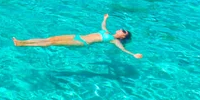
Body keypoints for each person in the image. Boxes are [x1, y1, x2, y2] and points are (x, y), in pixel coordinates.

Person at [12, 14, 143, 59]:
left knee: (50, 43)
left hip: (81, 43)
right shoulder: (107, 32)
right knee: (51, 38)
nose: (121, 29)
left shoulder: (114, 40)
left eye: (123, 30)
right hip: (77, 36)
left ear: (122, 36)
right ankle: (21, 42)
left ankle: (22, 44)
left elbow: (123, 49)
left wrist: (133, 54)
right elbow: (103, 25)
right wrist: (105, 18)